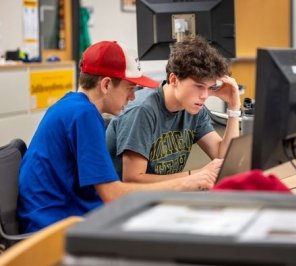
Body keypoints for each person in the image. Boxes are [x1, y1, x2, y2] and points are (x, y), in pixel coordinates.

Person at [18, 41, 216, 234]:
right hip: (50, 226)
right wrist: (187, 182)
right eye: (130, 88)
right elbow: (112, 194)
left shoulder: (75, 106)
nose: (132, 97)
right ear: (106, 85)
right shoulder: (83, 115)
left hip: (68, 212)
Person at [106, 35, 241, 186]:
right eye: (199, 86)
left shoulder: (194, 108)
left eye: (209, 88)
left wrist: (233, 107)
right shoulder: (143, 110)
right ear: (174, 80)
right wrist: (195, 176)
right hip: (127, 203)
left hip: (164, 195)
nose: (205, 96)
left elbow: (224, 157)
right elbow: (132, 179)